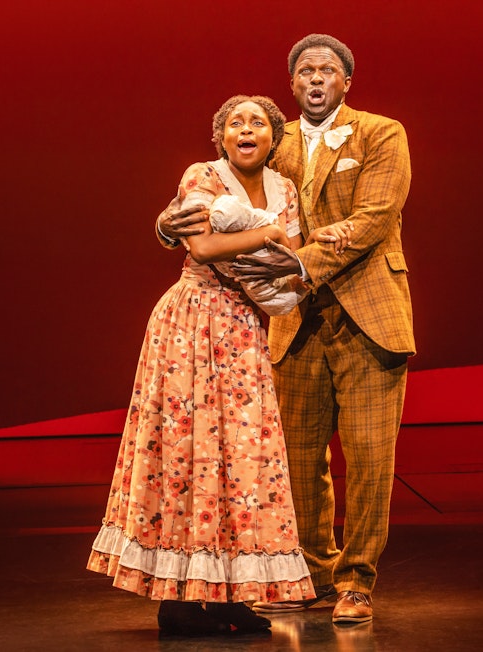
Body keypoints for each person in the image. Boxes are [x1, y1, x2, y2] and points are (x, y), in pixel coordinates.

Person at [158, 34, 414, 626]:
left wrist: (299, 261)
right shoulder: (274, 141)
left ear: (346, 81)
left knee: (370, 459)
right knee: (295, 460)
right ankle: (313, 575)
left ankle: (356, 581)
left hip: (367, 315)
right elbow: (218, 194)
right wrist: (168, 226)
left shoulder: (381, 133)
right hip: (292, 319)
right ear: (293, 84)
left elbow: (374, 219)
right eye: (305, 71)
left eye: (327, 70)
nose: (316, 79)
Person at [88, 95, 319, 637]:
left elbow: (291, 257)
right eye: (235, 123)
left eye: (257, 123)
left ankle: (230, 592)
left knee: (241, 460)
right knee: (187, 452)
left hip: (245, 328)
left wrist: (282, 254)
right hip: (192, 324)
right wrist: (267, 236)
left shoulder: (285, 188)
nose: (246, 130)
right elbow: (204, 247)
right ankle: (179, 599)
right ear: (221, 136)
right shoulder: (202, 175)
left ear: (273, 137)